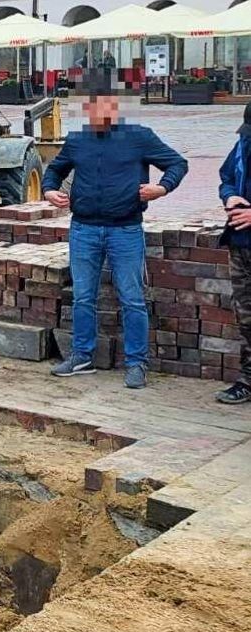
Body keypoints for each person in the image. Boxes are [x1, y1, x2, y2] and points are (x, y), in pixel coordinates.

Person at [42, 81, 186, 388]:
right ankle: (82, 356)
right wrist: (49, 189)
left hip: (125, 229)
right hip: (83, 229)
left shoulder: (139, 137)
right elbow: (55, 169)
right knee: (83, 297)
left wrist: (162, 188)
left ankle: (137, 363)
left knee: (132, 298)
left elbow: (177, 163)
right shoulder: (78, 139)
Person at [216, 104, 251, 404]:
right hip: (241, 243)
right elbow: (226, 176)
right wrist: (229, 196)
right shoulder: (244, 143)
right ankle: (248, 380)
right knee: (246, 315)